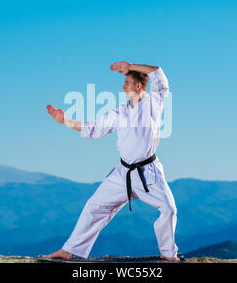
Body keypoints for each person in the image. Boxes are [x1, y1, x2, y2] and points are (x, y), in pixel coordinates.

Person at [43, 61, 179, 261]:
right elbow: (94, 128)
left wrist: (131, 65)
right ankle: (68, 251)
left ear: (139, 86)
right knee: (93, 207)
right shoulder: (120, 112)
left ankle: (168, 254)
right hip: (122, 173)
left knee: (169, 209)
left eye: (127, 82)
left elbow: (158, 73)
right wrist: (65, 121)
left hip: (148, 172)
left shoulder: (154, 102)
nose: (123, 86)